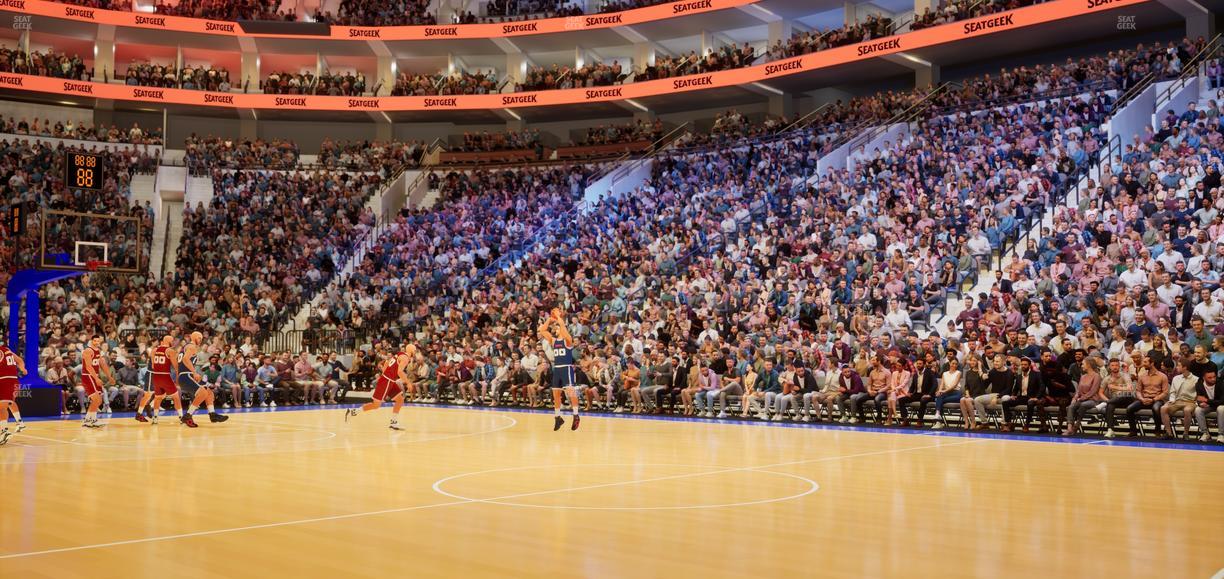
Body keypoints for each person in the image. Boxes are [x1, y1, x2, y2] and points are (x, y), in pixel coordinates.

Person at [345, 343, 416, 430]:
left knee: (400, 400)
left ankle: (394, 422)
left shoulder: (400, 354)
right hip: (387, 381)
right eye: (415, 350)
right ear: (411, 351)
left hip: (390, 380)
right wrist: (408, 383)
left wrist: (385, 373)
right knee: (376, 405)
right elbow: (399, 372)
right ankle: (352, 412)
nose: (415, 352)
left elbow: (387, 362)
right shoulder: (405, 358)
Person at [540, 308, 581, 431]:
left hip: (567, 368)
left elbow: (563, 327)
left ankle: (576, 415)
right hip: (557, 369)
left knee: (571, 392)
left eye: (557, 328)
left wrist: (559, 318)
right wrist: (550, 319)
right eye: (556, 328)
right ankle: (558, 417)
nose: (556, 329)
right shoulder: (553, 341)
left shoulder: (568, 340)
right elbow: (542, 330)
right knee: (556, 394)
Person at [179, 331, 229, 426]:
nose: (200, 340)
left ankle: (212, 414)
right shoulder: (191, 346)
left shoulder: (185, 347)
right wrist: (194, 372)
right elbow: (185, 359)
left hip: (185, 375)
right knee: (203, 392)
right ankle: (188, 415)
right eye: (199, 338)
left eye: (201, 339)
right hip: (187, 375)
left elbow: (181, 363)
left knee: (209, 393)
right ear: (194, 337)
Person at [135, 335, 185, 425]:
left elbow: (154, 366)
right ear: (169, 342)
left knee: (158, 397)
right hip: (164, 376)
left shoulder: (154, 350)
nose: (173, 343)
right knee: (176, 397)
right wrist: (178, 376)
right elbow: (176, 366)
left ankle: (155, 418)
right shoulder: (170, 351)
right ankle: (181, 417)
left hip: (156, 376)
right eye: (172, 341)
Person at [80, 335, 116, 428]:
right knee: (97, 399)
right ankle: (90, 420)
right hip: (88, 376)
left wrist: (110, 377)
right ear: (91, 341)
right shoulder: (88, 351)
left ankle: (89, 420)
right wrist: (96, 379)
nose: (96, 342)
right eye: (95, 341)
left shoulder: (98, 351)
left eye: (98, 341)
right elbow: (88, 367)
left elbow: (103, 364)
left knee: (99, 400)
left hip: (94, 376)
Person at [1161, 359, 1199, 439]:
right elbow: (1172, 392)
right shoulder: (1176, 378)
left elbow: (1198, 394)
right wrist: (1171, 400)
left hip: (1190, 401)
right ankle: (1169, 433)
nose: (1176, 367)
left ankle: (1185, 433)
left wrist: (1196, 403)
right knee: (1163, 408)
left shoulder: (1196, 379)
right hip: (1177, 401)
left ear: (1185, 367)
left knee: (1187, 410)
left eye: (1178, 365)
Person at [0, 341, 28, 445]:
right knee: (6, 405)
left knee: (3, 406)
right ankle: (17, 424)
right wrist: (23, 369)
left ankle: (4, 431)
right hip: (12, 380)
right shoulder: (7, 350)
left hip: (5, 380)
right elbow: (20, 360)